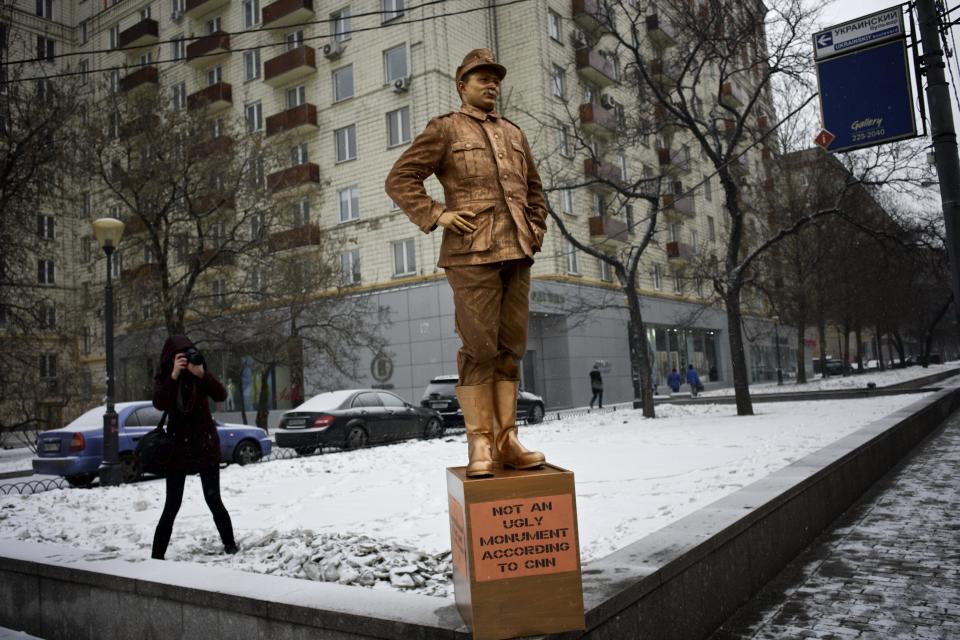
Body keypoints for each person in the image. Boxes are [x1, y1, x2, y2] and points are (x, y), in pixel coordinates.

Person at [386, 49, 547, 478]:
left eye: (495, 78)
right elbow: (400, 178)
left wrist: (535, 233)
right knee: (479, 349)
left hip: (517, 253)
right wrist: (437, 214)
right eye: (481, 78)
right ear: (463, 86)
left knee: (511, 349)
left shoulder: (514, 133)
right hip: (470, 255)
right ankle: (479, 443)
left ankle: (507, 439)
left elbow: (535, 191)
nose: (491, 84)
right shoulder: (444, 129)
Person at [151, 336, 237, 560]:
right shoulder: (167, 377)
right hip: (178, 447)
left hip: (204, 444)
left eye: (188, 354)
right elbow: (159, 402)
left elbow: (221, 394)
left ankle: (230, 545)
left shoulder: (200, 373)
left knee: (214, 499)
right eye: (181, 356)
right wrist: (174, 375)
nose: (186, 359)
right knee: (172, 504)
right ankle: (157, 555)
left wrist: (201, 374)